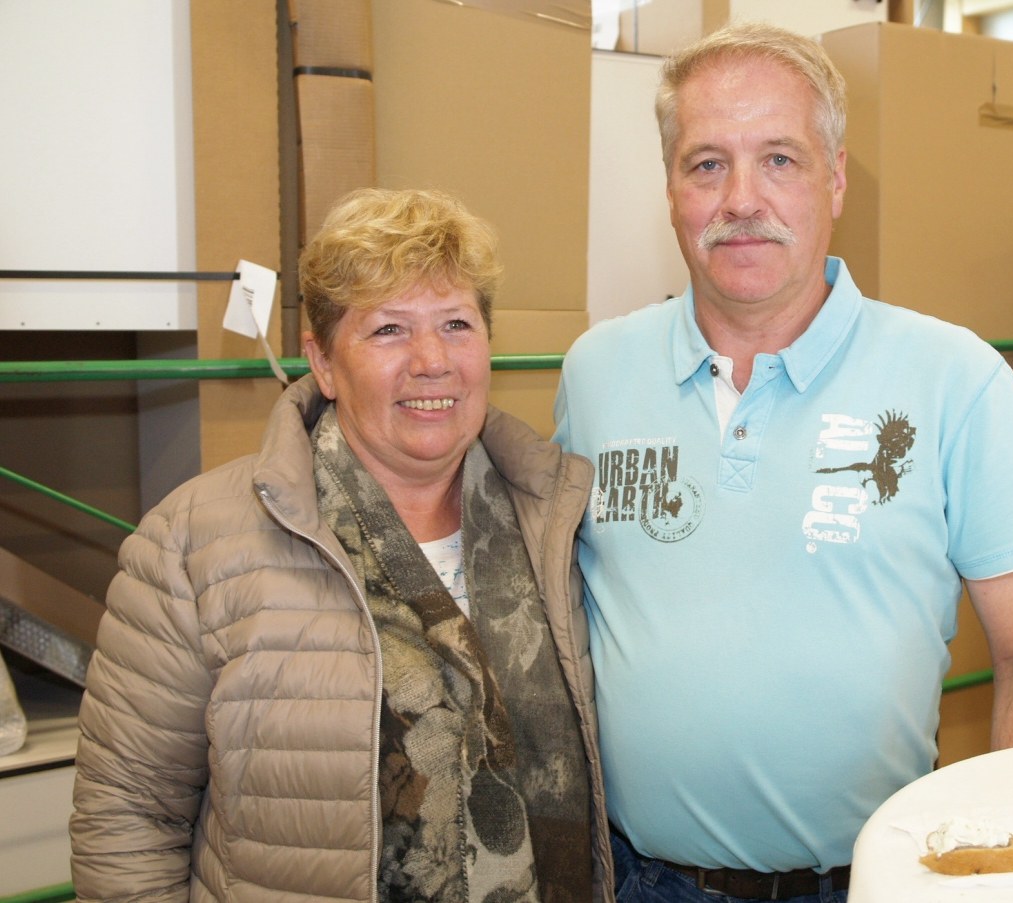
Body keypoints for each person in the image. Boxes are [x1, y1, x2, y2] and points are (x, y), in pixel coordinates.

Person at [553, 21, 1013, 903]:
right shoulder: (596, 373)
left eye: (780, 160)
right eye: (707, 164)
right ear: (671, 187)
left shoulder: (955, 379)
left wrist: (1005, 874)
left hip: (866, 882)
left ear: (835, 178)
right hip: (635, 879)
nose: (741, 199)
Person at [70, 188, 613, 903]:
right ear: (322, 362)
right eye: (389, 330)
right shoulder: (192, 544)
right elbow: (128, 815)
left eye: (456, 323)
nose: (432, 360)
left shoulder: (560, 519)